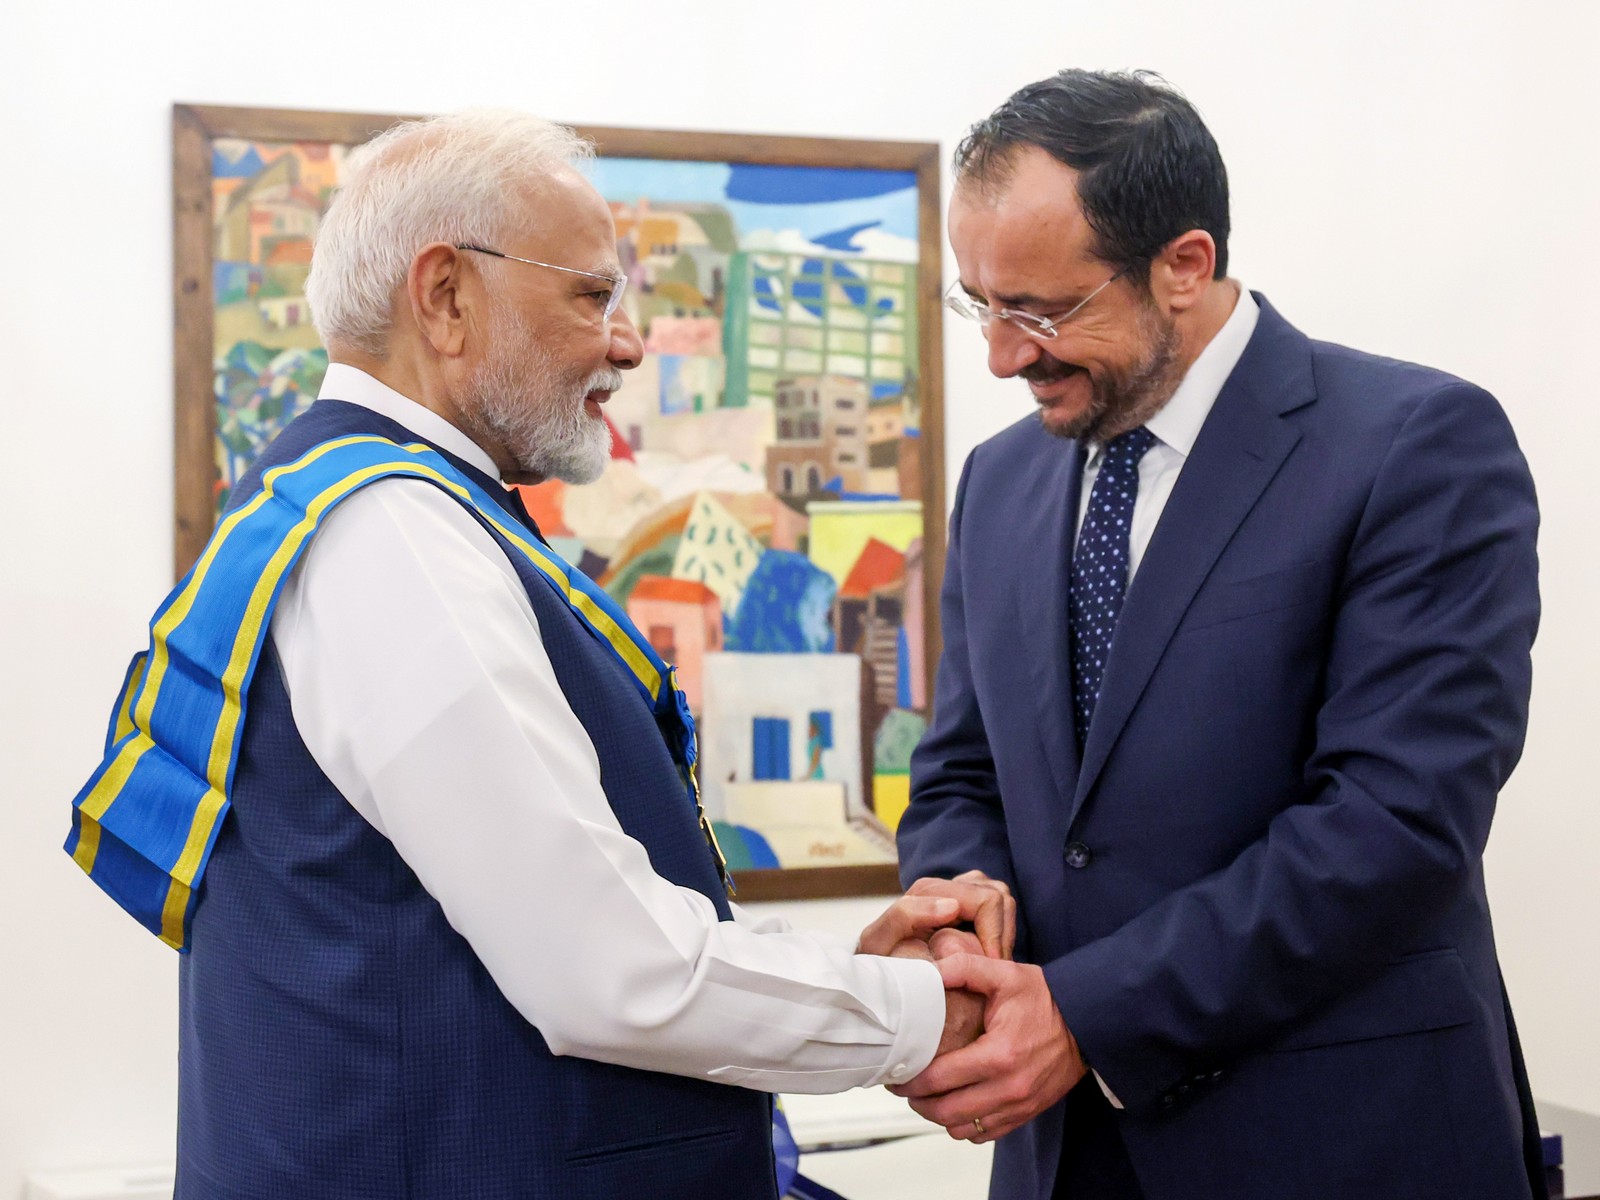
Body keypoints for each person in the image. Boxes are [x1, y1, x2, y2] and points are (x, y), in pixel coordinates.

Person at [64, 109, 996, 1200]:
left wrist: (834, 979)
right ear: (447, 296)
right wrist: (927, 1014)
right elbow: (608, 971)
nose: (629, 341)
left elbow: (551, 910)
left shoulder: (351, 507)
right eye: (592, 294)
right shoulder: (395, 539)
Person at [893, 70, 1545, 1200]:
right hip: (1060, 1158)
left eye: (1041, 311)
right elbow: (963, 771)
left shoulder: (1414, 444)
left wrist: (1088, 1015)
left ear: (1183, 267)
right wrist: (957, 914)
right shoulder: (1000, 482)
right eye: (980, 303)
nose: (1002, 356)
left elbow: (1394, 824)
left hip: (1341, 1145)